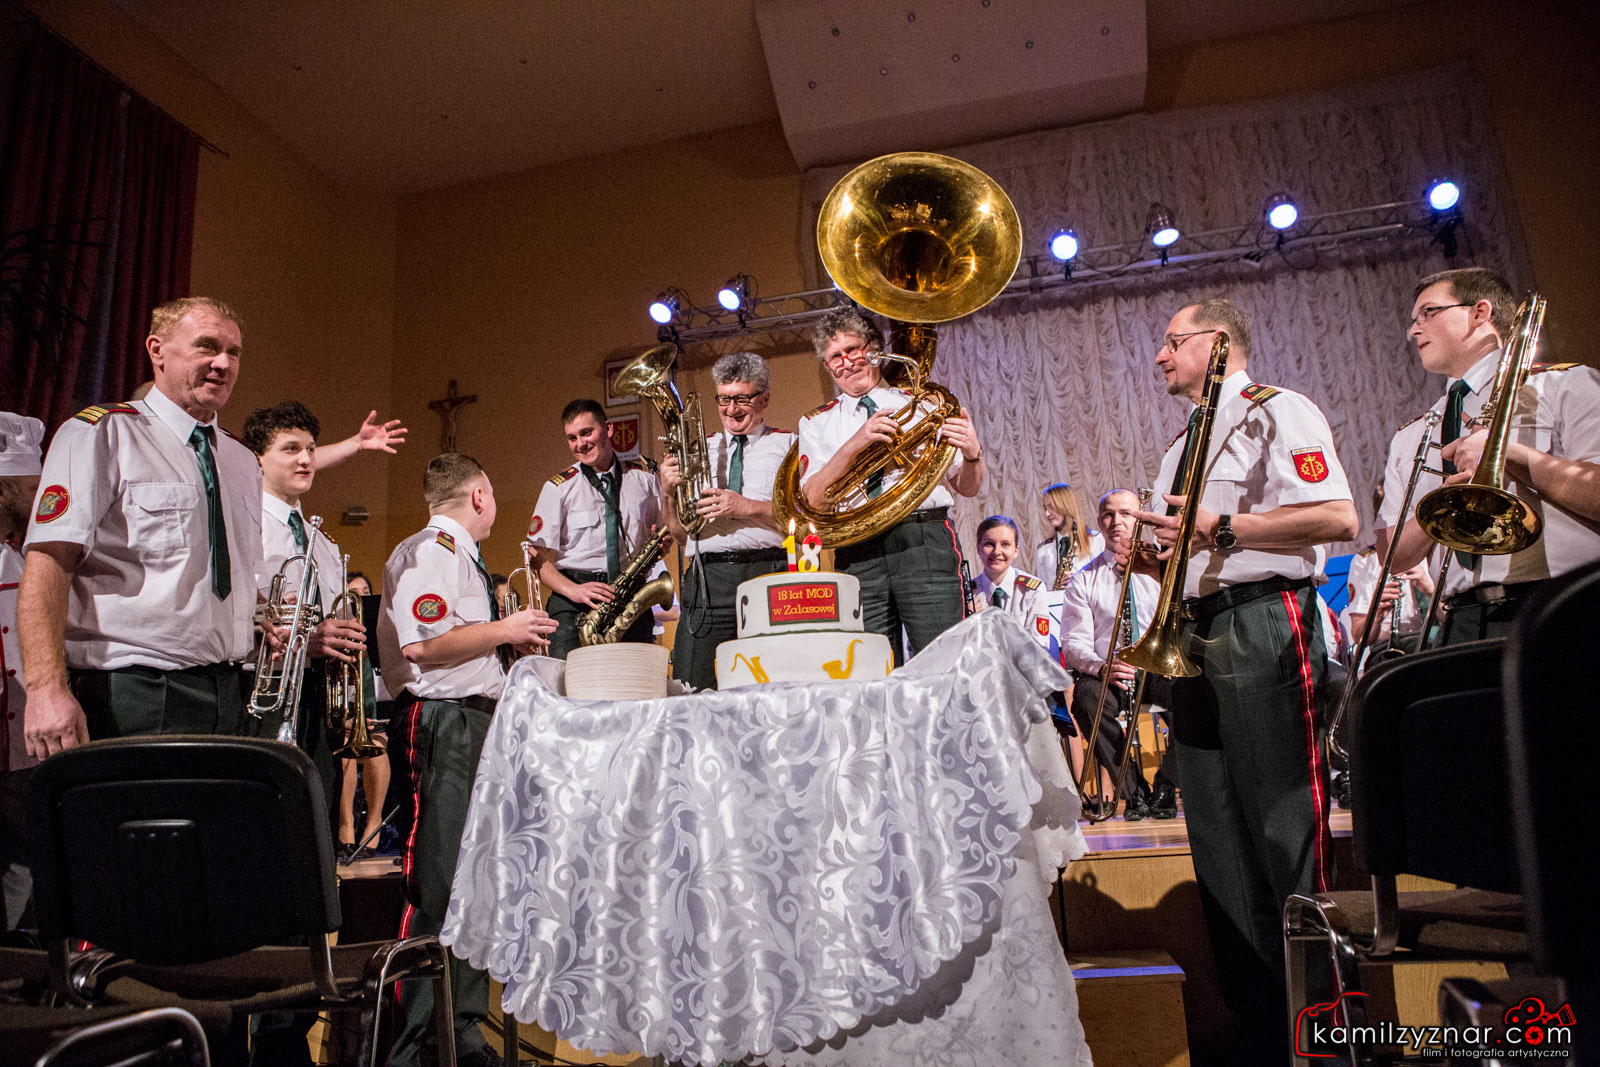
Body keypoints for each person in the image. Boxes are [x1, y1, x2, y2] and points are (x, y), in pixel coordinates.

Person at [1133, 297, 1358, 1057]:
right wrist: (1152, 556)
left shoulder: (1276, 409)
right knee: (1217, 835)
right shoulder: (1179, 444)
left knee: (1284, 824)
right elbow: (1187, 546)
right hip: (1194, 630)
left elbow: (1338, 517)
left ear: (1218, 341)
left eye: (1173, 341)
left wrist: (1223, 527)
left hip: (1264, 618)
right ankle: (1259, 1023)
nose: (1160, 356)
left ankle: (1322, 1026)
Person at [20, 297, 269, 758]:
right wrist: (45, 688)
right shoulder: (102, 433)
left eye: (233, 352)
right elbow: (48, 565)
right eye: (207, 347)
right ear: (157, 350)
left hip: (229, 690)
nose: (223, 364)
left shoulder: (241, 460)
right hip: (132, 690)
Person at [379, 453, 557, 1067]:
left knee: (475, 882)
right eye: (494, 495)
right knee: (439, 883)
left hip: (475, 719)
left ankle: (462, 1031)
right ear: (480, 495)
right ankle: (415, 1044)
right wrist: (508, 629)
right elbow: (424, 646)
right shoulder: (431, 551)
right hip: (443, 723)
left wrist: (506, 647)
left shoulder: (459, 556)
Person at [1375, 267, 1600, 644]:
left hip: (1564, 603)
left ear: (1479, 312)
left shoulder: (1564, 384)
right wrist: (1447, 503)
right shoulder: (1413, 433)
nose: (1414, 331)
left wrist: (1508, 454)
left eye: (1428, 313)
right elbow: (1392, 557)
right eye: (1413, 321)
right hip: (1464, 618)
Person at [242, 401, 389, 861]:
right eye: (291, 449)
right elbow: (239, 612)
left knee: (313, 821)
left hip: (314, 701)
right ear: (258, 459)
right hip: (261, 696)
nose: (306, 459)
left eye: (309, 449)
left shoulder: (322, 542)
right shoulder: (244, 525)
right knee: (262, 824)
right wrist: (308, 638)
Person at [796, 308, 984, 662]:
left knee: (944, 661)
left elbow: (967, 486)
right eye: (835, 356)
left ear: (874, 349)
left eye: (853, 349)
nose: (846, 362)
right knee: (871, 669)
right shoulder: (815, 423)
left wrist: (974, 454)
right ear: (827, 366)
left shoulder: (923, 404)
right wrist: (855, 443)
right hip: (857, 549)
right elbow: (814, 499)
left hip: (922, 539)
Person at [658, 352, 793, 689]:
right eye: (724, 399)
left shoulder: (788, 444)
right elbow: (680, 534)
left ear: (764, 399)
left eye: (742, 399)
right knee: (693, 684)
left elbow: (802, 516)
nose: (732, 410)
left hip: (767, 572)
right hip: (708, 577)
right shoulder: (696, 451)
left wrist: (745, 506)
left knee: (772, 685)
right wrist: (667, 493)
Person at [1059, 489, 1175, 821]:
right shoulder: (1084, 580)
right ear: (1099, 522)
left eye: (1126, 513)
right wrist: (1101, 667)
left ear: (1139, 520)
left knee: (1195, 697)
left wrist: (1170, 654)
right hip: (1110, 672)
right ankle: (1132, 789)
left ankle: (1166, 784)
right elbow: (1074, 642)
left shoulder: (1163, 569)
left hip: (1158, 667)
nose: (1116, 521)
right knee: (1086, 700)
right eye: (1108, 515)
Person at [527, 399, 663, 659]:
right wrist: (573, 590)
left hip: (629, 594)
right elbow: (536, 555)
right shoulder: (558, 487)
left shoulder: (644, 479)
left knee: (635, 679)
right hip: (573, 602)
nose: (580, 444)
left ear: (608, 429)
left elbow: (662, 533)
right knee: (568, 680)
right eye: (572, 438)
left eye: (586, 433)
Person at [0, 413, 43, 930]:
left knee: (23, 863)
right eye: (31, 488)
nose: (41, 500)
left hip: (23, 754)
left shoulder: (27, 563)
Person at [970, 515, 1049, 628]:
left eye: (1005, 544)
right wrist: (967, 622)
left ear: (1016, 551)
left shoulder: (1032, 591)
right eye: (989, 544)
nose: (997, 551)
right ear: (978, 549)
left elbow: (1037, 639)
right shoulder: (967, 593)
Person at [1034, 482, 1100, 590]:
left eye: (1051, 507)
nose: (1047, 514)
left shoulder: (1095, 541)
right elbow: (1043, 590)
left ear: (1066, 506)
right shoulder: (1043, 550)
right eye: (1045, 508)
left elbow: (1104, 582)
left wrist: (1080, 581)